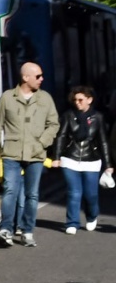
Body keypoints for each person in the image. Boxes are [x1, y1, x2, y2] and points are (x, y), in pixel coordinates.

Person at [0, 61, 59, 247]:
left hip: (36, 155)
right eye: (38, 76)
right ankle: (5, 229)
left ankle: (27, 231)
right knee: (10, 190)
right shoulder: (7, 97)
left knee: (32, 194)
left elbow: (54, 124)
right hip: (11, 154)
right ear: (25, 77)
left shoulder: (45, 98)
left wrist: (42, 142)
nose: (42, 79)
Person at [50, 85, 112, 234]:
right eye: (75, 100)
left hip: (91, 160)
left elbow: (103, 141)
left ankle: (91, 216)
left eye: (80, 100)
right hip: (70, 159)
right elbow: (61, 136)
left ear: (89, 100)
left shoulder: (98, 117)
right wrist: (56, 157)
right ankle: (72, 223)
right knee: (74, 192)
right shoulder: (68, 115)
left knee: (91, 194)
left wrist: (108, 164)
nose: (77, 103)